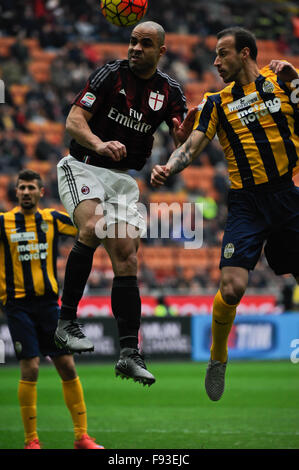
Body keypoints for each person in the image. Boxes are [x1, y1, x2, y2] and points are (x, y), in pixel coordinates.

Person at [151, 27, 299, 400]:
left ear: (246, 53)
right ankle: (218, 357)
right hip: (246, 202)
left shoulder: (281, 81)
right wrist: (169, 167)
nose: (215, 62)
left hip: (286, 196)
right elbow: (193, 146)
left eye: (223, 54)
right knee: (232, 287)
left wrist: (297, 79)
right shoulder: (216, 102)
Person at [54, 21, 197, 386]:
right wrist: (99, 144)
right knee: (91, 226)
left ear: (161, 51)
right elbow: (74, 121)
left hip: (122, 180)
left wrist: (181, 136)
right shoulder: (109, 75)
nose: (134, 48)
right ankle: (66, 322)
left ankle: (129, 352)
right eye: (132, 41)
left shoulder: (169, 91)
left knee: (127, 257)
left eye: (144, 44)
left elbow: (180, 134)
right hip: (84, 165)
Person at [1, 169, 103, 449]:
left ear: (41, 192)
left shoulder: (52, 219)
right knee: (30, 367)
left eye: (31, 188)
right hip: (18, 306)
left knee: (67, 365)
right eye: (21, 187)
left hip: (48, 305)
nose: (25, 192)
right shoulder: (3, 222)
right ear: (16, 191)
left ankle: (82, 436)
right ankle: (31, 440)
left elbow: (88, 228)